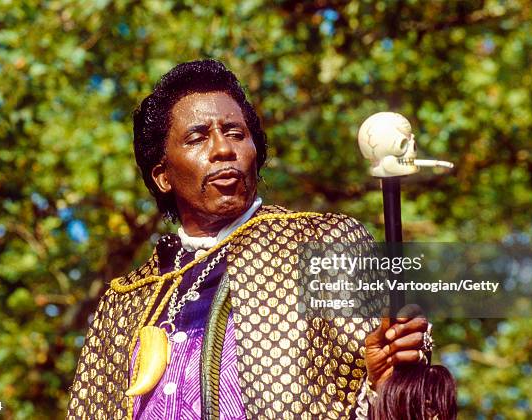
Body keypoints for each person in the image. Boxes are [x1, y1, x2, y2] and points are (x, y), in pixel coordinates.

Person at [67, 59, 438, 419]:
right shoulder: (124, 302)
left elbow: (392, 390)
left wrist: (388, 381)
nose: (223, 149)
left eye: (235, 133)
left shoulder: (321, 243)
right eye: (198, 137)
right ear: (163, 175)